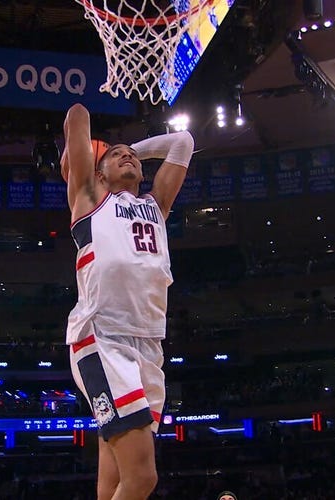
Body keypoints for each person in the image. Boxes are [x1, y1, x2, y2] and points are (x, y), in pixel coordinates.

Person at [60, 103, 194, 500]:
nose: (128, 156)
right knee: (143, 478)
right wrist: (96, 153)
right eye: (117, 155)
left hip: (148, 347)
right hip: (103, 339)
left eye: (132, 156)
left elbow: (183, 142)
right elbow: (79, 115)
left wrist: (129, 147)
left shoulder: (155, 206)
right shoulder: (88, 199)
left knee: (114, 484)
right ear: (98, 172)